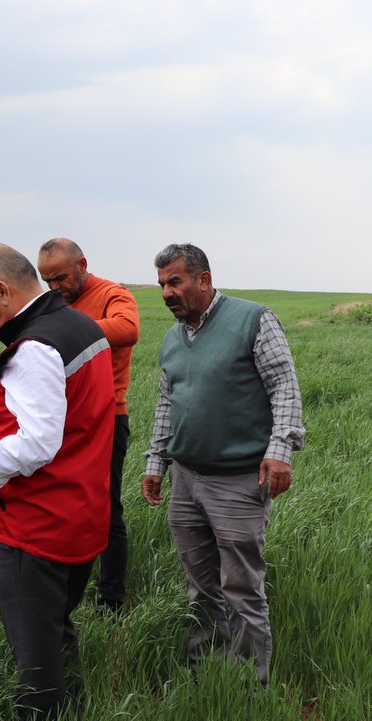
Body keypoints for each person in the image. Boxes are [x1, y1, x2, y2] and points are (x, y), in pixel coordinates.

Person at [0, 243, 114, 721]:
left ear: (2, 291)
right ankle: (74, 712)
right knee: (57, 628)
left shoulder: (33, 348)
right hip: (84, 515)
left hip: (37, 528)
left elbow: (36, 445)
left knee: (35, 657)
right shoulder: (82, 326)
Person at [142, 243, 304, 688]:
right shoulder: (173, 338)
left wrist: (280, 449)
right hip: (186, 480)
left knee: (241, 588)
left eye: (175, 282)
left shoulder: (252, 319)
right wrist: (156, 459)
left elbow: (284, 385)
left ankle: (250, 687)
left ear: (204, 279)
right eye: (161, 285)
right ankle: (206, 672)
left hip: (238, 481)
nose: (167, 293)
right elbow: (166, 402)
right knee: (200, 586)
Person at [37, 238, 140, 613]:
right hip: (61, 420)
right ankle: (63, 587)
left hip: (107, 418)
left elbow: (127, 329)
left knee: (106, 509)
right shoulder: (54, 302)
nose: (54, 288)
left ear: (82, 265)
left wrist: (69, 330)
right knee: (64, 505)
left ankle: (110, 600)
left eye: (61, 278)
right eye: (47, 280)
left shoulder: (113, 294)